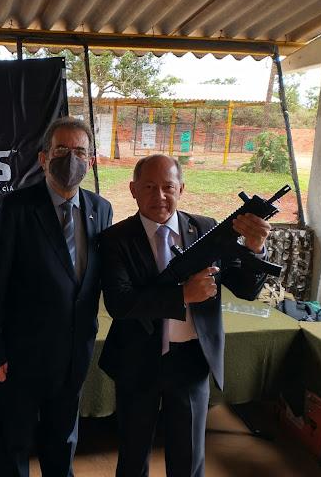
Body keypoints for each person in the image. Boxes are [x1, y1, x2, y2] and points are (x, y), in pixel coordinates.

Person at [99, 154, 271, 477]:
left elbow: (246, 288)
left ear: (181, 189)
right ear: (133, 189)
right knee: (133, 457)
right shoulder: (114, 239)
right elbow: (120, 304)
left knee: (188, 461)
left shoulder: (207, 230)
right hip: (137, 360)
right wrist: (182, 296)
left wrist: (255, 247)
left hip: (192, 360)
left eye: (168, 187)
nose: (160, 196)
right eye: (149, 187)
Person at [0, 116, 113, 477]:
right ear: (43, 158)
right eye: (62, 149)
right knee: (12, 444)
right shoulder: (15, 208)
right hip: (20, 355)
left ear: (91, 160)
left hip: (73, 352)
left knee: (62, 442)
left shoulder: (101, 209)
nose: (71, 158)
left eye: (79, 151)